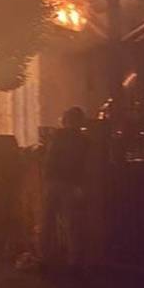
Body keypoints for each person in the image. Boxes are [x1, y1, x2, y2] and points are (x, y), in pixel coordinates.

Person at [43, 106, 89, 266]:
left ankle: (45, 256)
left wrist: (47, 176)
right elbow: (82, 164)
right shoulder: (83, 140)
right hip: (71, 183)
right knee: (71, 223)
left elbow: (50, 158)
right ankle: (74, 259)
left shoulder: (58, 136)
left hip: (55, 182)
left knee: (48, 221)